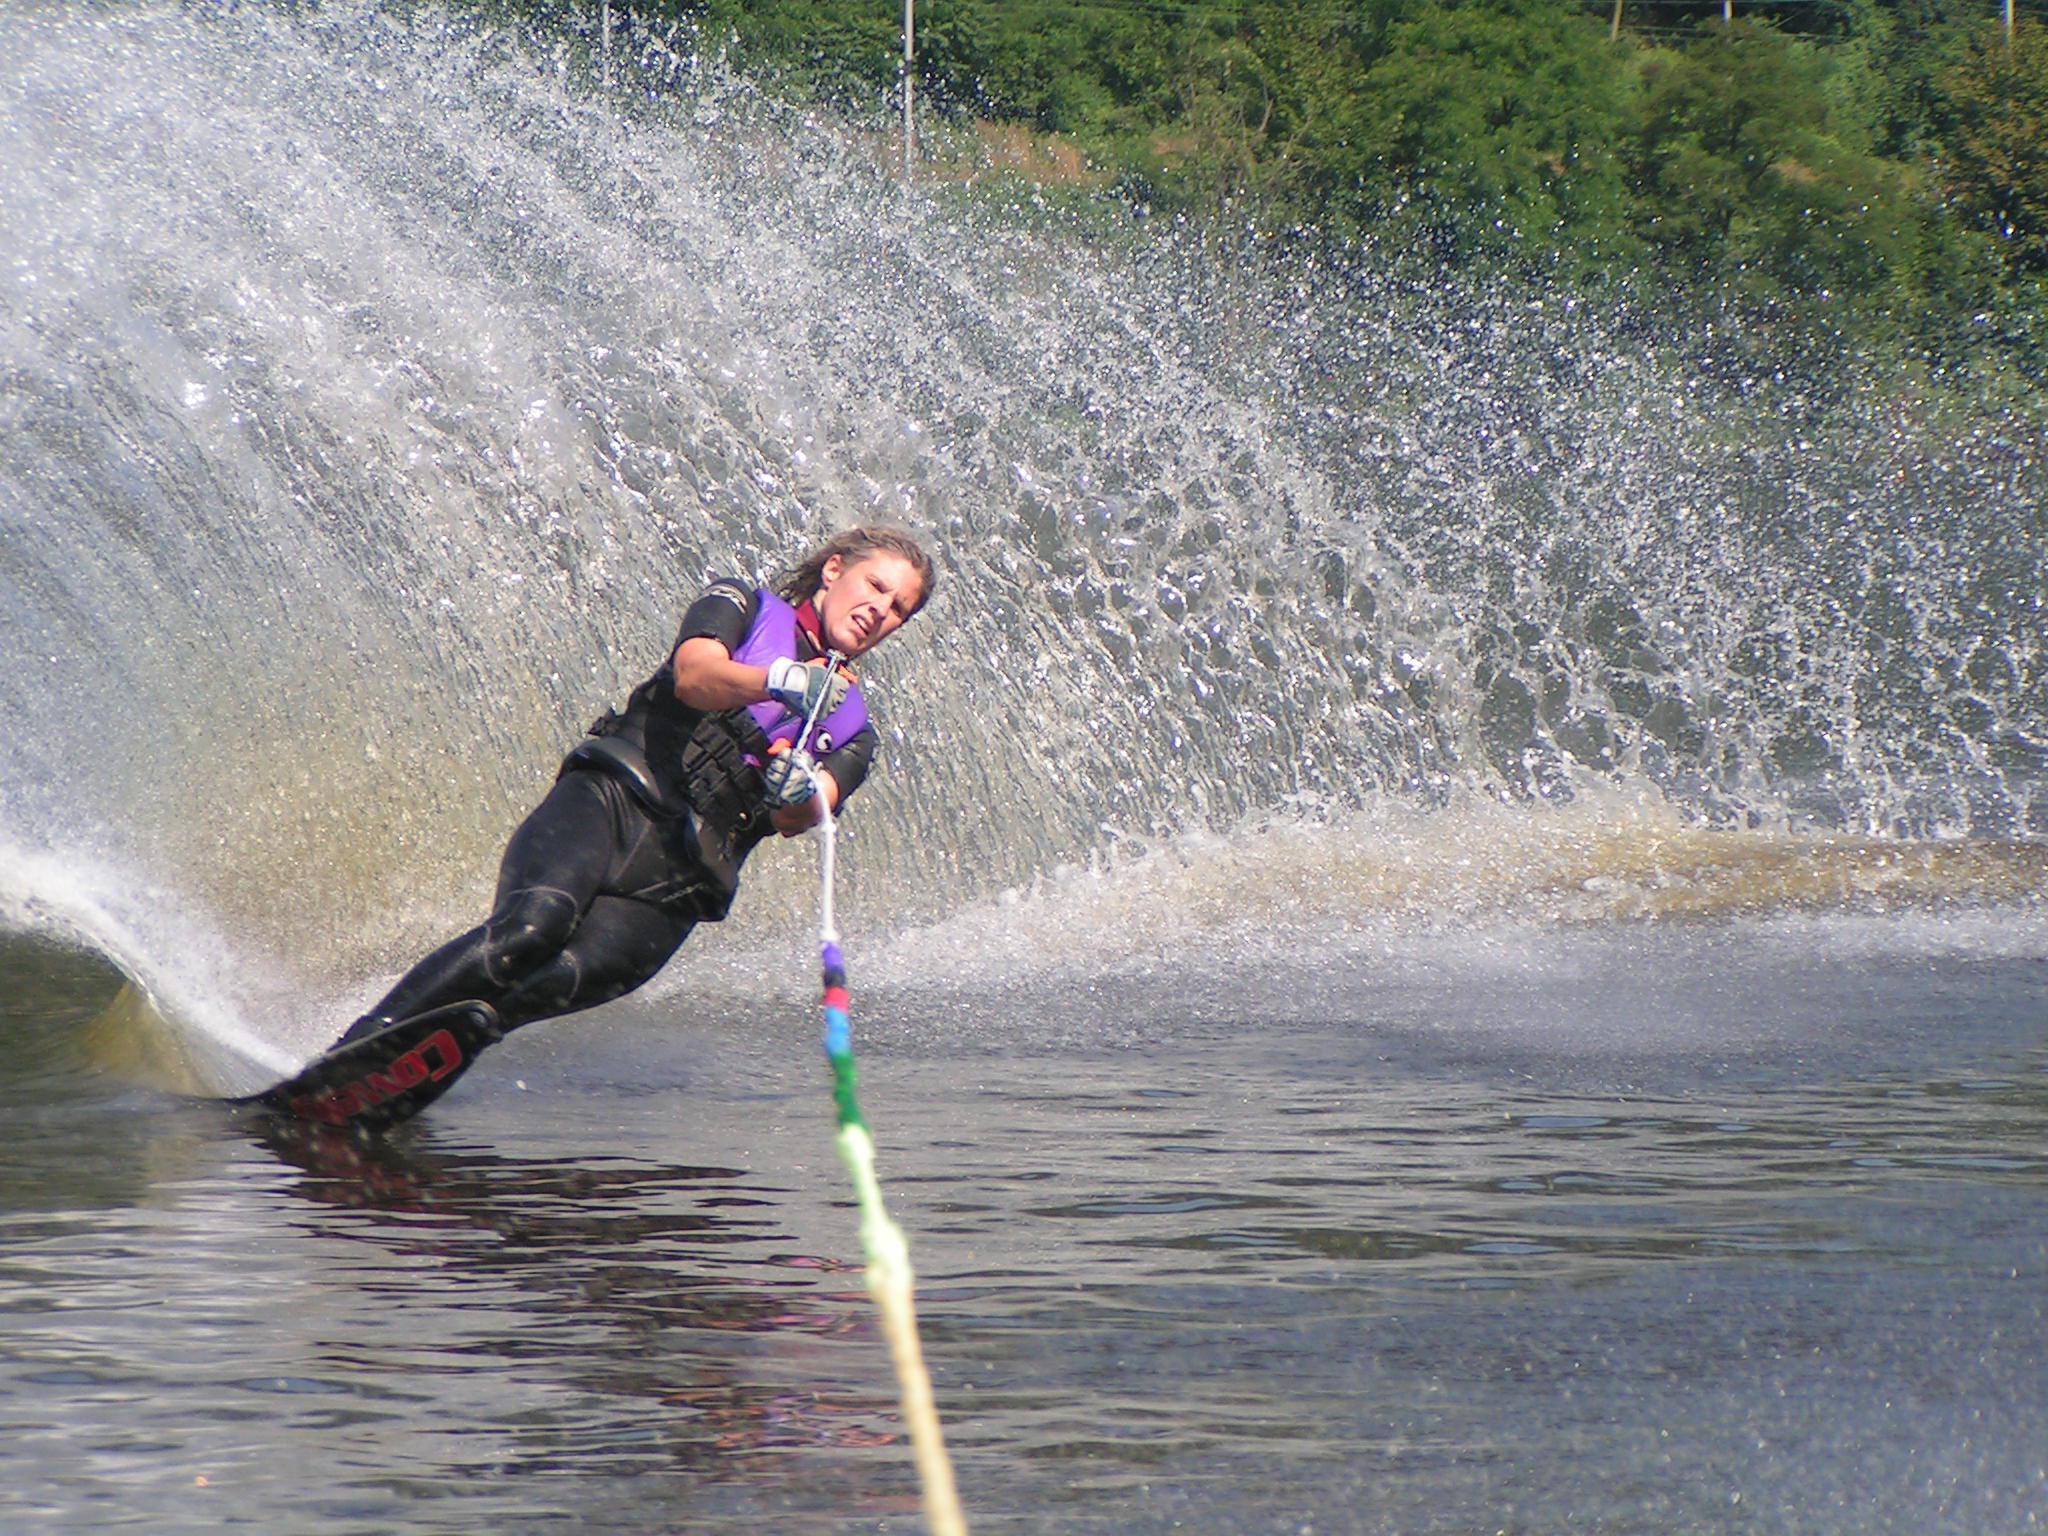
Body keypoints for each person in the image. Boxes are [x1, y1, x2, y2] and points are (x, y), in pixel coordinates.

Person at [335, 525, 935, 1049]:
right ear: (835, 571)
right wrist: (776, 681)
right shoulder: (742, 605)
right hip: (612, 802)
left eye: (899, 608)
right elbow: (695, 675)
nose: (880, 609)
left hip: (677, 885)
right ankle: (356, 1047)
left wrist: (796, 786)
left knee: (535, 991)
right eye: (876, 587)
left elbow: (808, 813)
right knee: (528, 932)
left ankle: (396, 1076)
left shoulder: (853, 730)